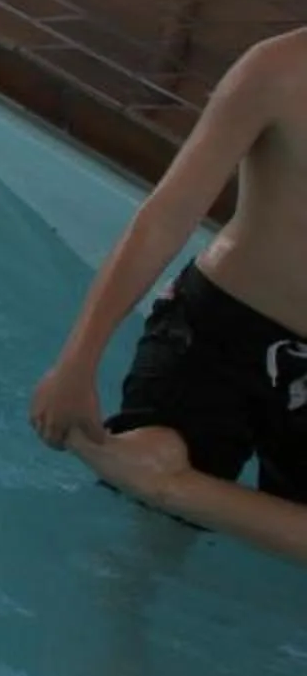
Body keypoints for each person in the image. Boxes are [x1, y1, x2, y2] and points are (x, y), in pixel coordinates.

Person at [31, 29, 307, 566]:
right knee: (147, 538)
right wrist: (77, 360)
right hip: (219, 331)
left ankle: (165, 486)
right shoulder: (279, 70)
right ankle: (122, 638)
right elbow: (166, 216)